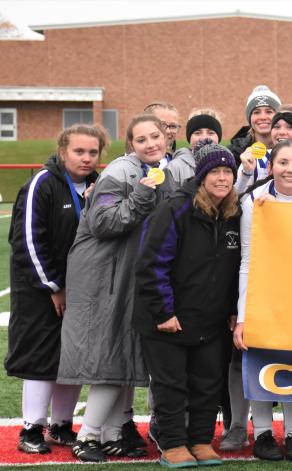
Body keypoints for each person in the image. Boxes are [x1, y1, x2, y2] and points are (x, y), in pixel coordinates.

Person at [58, 114, 171, 462]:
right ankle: (87, 436)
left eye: (156, 136)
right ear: (130, 145)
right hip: (100, 277)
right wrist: (143, 193)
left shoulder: (155, 169)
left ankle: (109, 434)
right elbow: (106, 223)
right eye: (142, 139)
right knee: (109, 358)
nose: (151, 143)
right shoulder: (121, 173)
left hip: (120, 275)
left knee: (120, 355)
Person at [134, 143, 242, 468]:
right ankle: (172, 444)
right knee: (170, 385)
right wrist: (164, 312)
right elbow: (152, 263)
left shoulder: (234, 214)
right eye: (215, 172)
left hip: (210, 320)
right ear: (201, 176)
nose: (222, 178)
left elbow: (239, 268)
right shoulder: (176, 208)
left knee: (208, 382)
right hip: (169, 318)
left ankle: (200, 440)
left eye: (228, 172)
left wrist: (234, 308)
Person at [6, 124, 107, 454]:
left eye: (93, 152)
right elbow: (27, 242)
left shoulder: (99, 185)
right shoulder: (42, 184)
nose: (87, 158)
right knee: (41, 358)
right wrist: (53, 286)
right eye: (79, 151)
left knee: (73, 358)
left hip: (82, 290)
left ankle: (62, 425)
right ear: (63, 151)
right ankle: (31, 429)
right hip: (40, 291)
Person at [230, 140, 292, 461]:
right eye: (283, 162)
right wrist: (243, 315)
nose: (290, 169)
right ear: (270, 167)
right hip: (263, 291)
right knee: (261, 362)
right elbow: (247, 259)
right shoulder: (253, 200)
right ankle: (262, 433)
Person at [236, 106, 292, 193]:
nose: (281, 132)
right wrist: (246, 173)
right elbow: (236, 197)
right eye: (277, 126)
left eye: (290, 127)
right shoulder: (255, 159)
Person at [166, 108, 223, 190]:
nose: (204, 137)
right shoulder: (175, 167)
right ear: (189, 138)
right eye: (197, 133)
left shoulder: (227, 164)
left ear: (218, 137)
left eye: (211, 133)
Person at [227, 85, 280, 163]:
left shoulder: (291, 149)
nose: (263, 117)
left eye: (269, 112)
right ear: (249, 118)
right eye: (256, 112)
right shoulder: (233, 153)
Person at [144, 102, 180, 166]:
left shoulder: (179, 164)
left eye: (173, 126)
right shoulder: (126, 166)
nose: (168, 131)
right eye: (162, 125)